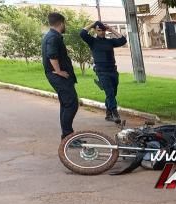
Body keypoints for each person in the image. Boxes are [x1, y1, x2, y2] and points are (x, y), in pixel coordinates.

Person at [79, 21, 127, 123]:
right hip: (102, 71)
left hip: (113, 71)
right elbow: (82, 33)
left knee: (112, 93)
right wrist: (92, 25)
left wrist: (111, 29)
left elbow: (123, 40)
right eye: (99, 30)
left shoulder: (110, 42)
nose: (101, 32)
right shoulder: (92, 41)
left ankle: (108, 115)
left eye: (103, 30)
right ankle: (115, 113)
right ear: (95, 31)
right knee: (109, 92)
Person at [42, 12, 78, 140]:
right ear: (61, 23)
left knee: (66, 104)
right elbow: (52, 55)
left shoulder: (51, 36)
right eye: (65, 24)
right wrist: (59, 71)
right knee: (71, 104)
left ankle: (66, 135)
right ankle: (68, 137)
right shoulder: (53, 37)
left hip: (57, 76)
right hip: (59, 77)